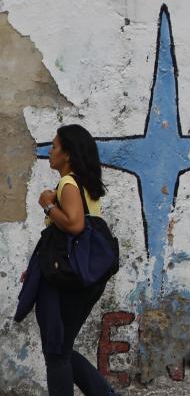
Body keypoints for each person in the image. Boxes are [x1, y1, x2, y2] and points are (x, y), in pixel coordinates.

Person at [18, 124, 121, 396]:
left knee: (56, 353)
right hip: (82, 279)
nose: (49, 151)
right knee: (61, 350)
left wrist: (48, 205)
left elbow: (74, 226)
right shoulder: (84, 185)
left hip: (63, 283)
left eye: (54, 146)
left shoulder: (68, 184)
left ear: (68, 153)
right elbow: (62, 239)